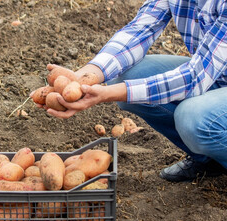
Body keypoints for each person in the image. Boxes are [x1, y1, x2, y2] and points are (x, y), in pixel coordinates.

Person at [32, 0, 227, 182]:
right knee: (127, 75)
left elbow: (194, 78)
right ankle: (209, 160)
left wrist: (109, 93)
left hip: (203, 75)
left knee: (193, 117)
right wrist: (85, 77)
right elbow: (138, 31)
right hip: (214, 74)